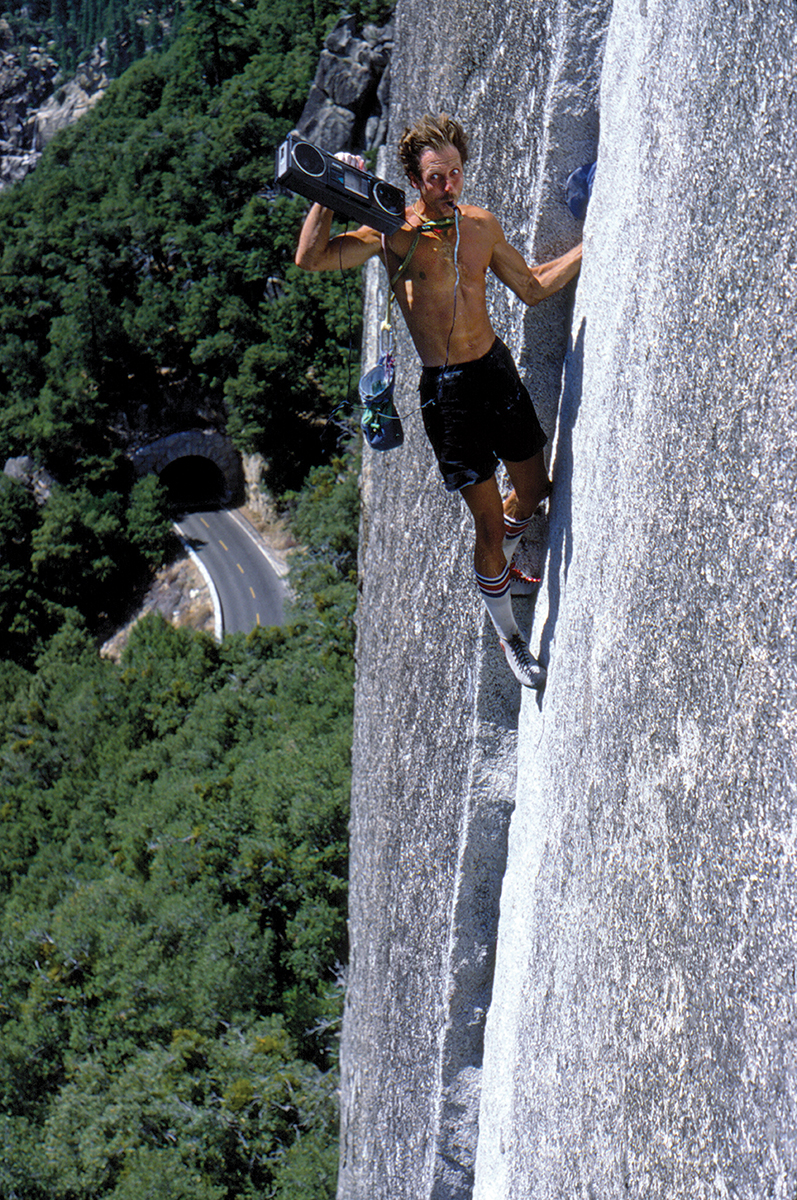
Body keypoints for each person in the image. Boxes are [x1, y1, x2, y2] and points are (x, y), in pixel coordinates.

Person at [295, 113, 582, 688]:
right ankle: (511, 637)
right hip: (446, 393)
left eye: (455, 173)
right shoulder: (390, 234)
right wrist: (328, 192)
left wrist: (594, 243)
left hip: (495, 370)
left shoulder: (479, 226)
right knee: (486, 529)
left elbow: (529, 287)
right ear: (413, 178)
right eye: (434, 178)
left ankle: (514, 542)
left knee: (534, 489)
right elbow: (312, 258)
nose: (448, 186)